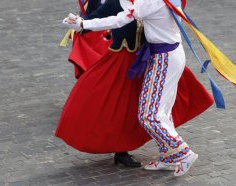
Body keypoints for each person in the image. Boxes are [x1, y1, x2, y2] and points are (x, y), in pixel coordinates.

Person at [58, 0, 214, 174]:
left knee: (150, 116)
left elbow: (120, 19)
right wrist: (82, 23)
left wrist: (82, 23)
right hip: (160, 56)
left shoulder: (149, 2)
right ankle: (169, 156)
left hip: (163, 57)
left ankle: (183, 153)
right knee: (161, 111)